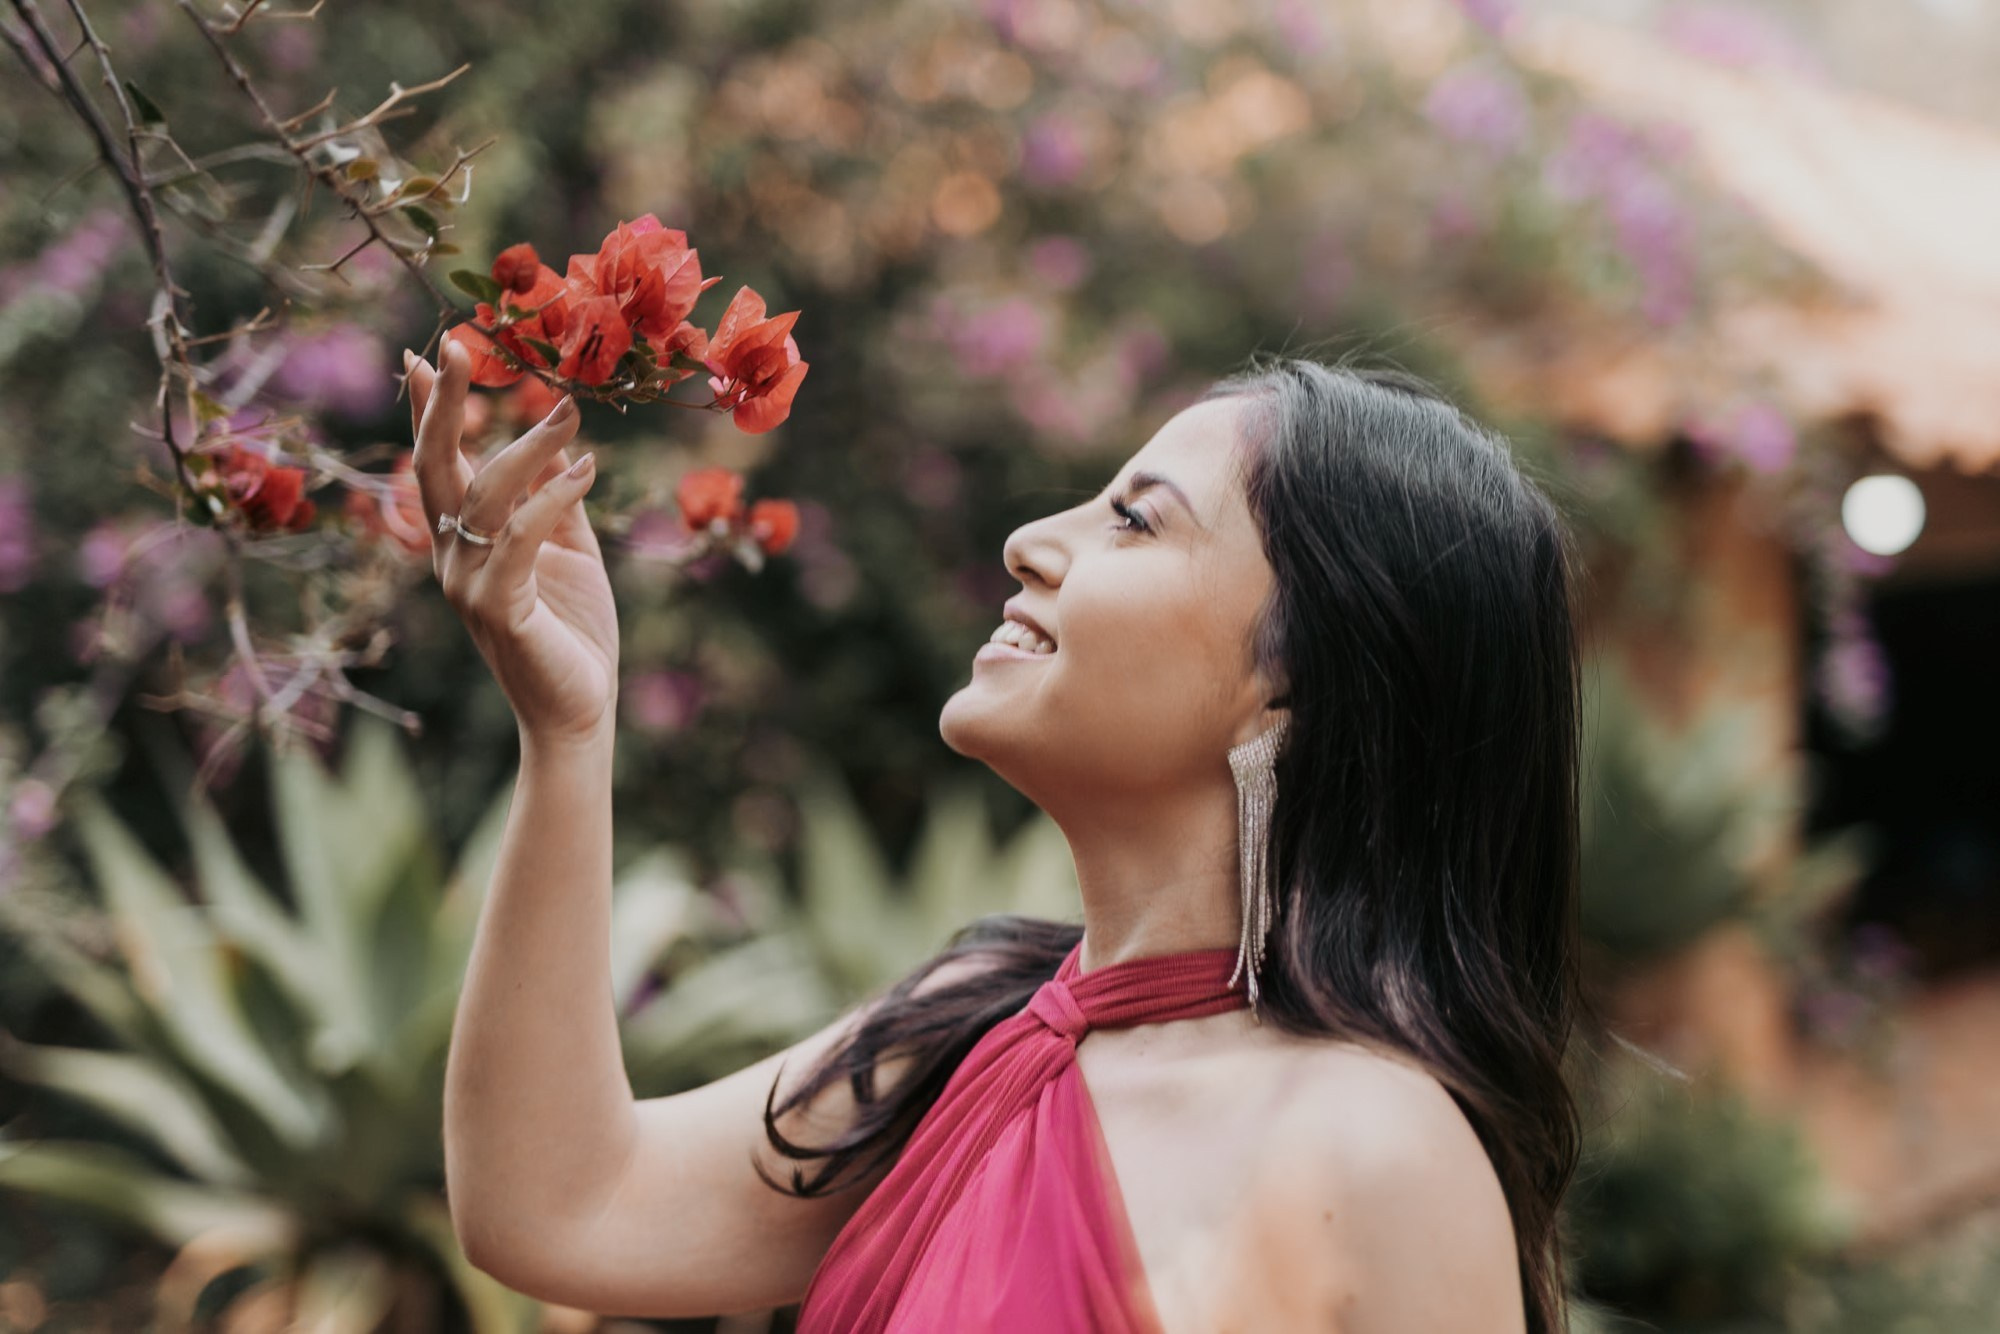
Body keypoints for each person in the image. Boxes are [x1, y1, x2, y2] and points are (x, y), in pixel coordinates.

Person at [410, 337, 1582, 1333]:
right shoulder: (975, 1031)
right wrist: (568, 731)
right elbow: (558, 1202)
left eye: (1133, 518)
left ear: (1290, 686)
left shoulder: (1369, 1152)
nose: (1029, 537)